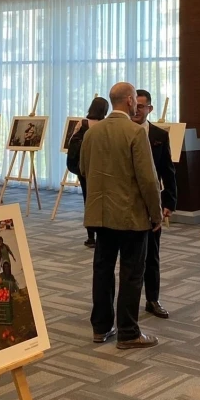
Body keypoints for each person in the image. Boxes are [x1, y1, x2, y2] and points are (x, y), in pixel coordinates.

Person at [80, 82, 162, 349]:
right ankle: (128, 332)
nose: (137, 105)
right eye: (135, 100)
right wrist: (156, 214)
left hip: (101, 215)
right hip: (131, 217)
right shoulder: (136, 132)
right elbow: (148, 180)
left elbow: (83, 169)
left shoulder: (91, 133)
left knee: (102, 271)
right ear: (129, 101)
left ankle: (100, 328)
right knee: (131, 274)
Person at [133, 89, 178, 319]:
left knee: (152, 255)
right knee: (130, 259)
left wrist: (169, 201)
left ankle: (153, 299)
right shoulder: (125, 132)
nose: (138, 111)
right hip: (129, 205)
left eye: (142, 107)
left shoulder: (159, 134)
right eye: (135, 106)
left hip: (153, 205)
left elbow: (167, 171)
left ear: (149, 109)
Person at [71, 97, 110, 248]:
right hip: (104, 168)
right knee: (103, 200)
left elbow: (71, 144)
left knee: (88, 200)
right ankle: (103, 233)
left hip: (85, 169)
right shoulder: (107, 125)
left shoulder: (83, 123)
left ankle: (90, 236)